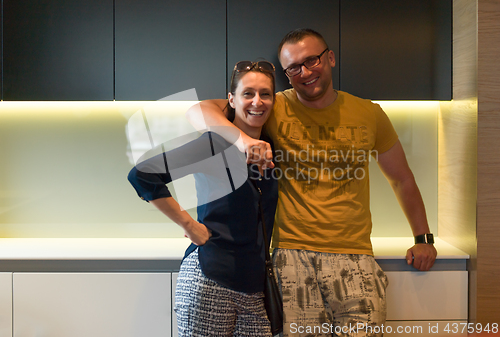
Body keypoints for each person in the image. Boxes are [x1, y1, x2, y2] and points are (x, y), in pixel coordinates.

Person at [185, 29, 438, 336]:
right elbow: (198, 111)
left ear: (329, 58)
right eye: (293, 67)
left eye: (311, 60)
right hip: (290, 257)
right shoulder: (273, 106)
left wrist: (423, 238)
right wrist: (244, 142)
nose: (305, 72)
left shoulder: (369, 113)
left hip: (355, 257)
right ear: (287, 75)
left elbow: (401, 178)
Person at [128, 60, 279, 336]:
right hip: (210, 279)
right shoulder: (215, 143)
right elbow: (142, 174)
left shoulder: (272, 148)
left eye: (265, 94)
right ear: (231, 100)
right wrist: (189, 225)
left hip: (254, 287)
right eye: (248, 93)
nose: (257, 101)